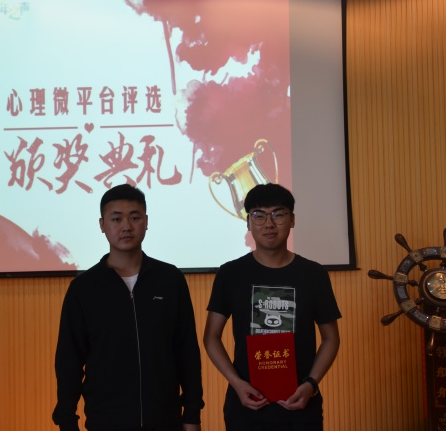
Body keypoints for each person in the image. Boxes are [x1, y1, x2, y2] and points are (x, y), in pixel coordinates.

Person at [53, 184, 204, 431]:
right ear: (102, 224)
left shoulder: (169, 279)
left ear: (146, 222)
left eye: (134, 217)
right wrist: (67, 420)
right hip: (106, 422)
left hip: (166, 420)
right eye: (116, 219)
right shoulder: (84, 288)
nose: (126, 227)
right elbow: (69, 360)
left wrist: (192, 414)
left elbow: (187, 351)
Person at [203, 183, 341, 431]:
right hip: (246, 406)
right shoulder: (230, 274)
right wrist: (236, 383)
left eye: (278, 214)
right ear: (248, 222)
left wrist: (311, 384)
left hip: (301, 406)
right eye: (259, 215)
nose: (269, 223)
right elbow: (211, 337)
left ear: (292, 220)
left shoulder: (314, 274)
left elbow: (331, 338)